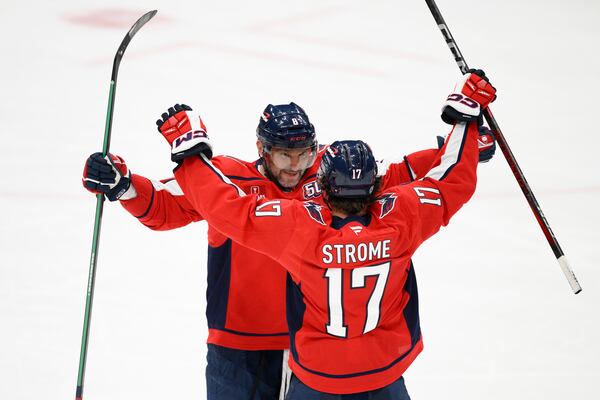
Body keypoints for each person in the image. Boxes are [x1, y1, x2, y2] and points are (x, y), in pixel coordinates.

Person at [82, 86, 495, 398]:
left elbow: (392, 173)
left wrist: (462, 149)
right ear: (261, 148)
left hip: (308, 352)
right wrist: (121, 183)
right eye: (284, 155)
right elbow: (163, 207)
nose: (296, 165)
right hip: (239, 347)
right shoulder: (228, 177)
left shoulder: (331, 176)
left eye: (304, 153)